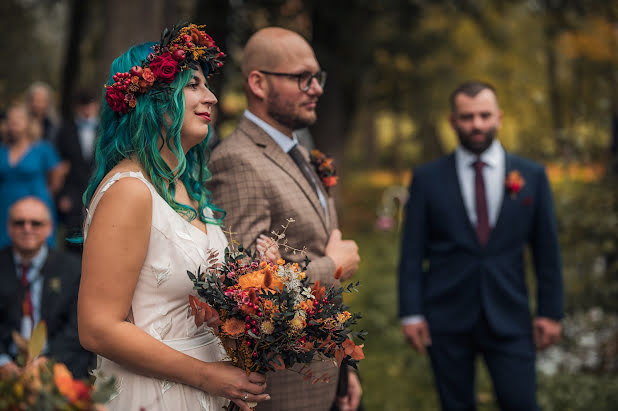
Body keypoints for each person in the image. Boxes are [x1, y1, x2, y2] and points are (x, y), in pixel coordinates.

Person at [77, 23, 269, 411]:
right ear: (154, 99)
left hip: (208, 391)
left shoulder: (188, 188)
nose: (211, 97)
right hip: (156, 394)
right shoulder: (129, 191)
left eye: (207, 85)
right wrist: (207, 375)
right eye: (194, 85)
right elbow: (97, 329)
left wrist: (255, 288)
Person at [208, 27, 362, 411]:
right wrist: (334, 267)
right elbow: (246, 289)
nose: (317, 89)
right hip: (282, 388)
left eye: (318, 77)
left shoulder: (301, 153)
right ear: (258, 83)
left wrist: (345, 362)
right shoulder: (238, 161)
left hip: (324, 375)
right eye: (302, 78)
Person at [398, 81, 564, 410]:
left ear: (499, 117)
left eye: (484, 115)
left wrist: (550, 312)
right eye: (468, 116)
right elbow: (412, 252)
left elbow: (547, 251)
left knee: (521, 403)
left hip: (510, 314)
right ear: (453, 121)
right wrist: (411, 313)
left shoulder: (532, 175)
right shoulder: (427, 178)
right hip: (446, 317)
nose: (477, 124)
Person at [0, 196, 92, 378]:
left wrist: (49, 362)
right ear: (9, 227)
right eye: (20, 223)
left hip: (58, 368)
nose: (27, 229)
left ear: (49, 228)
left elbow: (76, 328)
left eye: (36, 223)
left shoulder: (72, 269)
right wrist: (3, 362)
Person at [0, 104, 68, 249]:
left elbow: (57, 173)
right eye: (10, 120)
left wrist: (48, 192)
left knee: (37, 246)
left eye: (18, 119)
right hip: (5, 204)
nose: (13, 123)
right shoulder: (2, 149)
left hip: (36, 200)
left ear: (28, 123)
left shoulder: (42, 148)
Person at [55, 89, 99, 248]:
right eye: (83, 106)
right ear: (76, 107)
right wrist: (62, 195)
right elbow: (58, 166)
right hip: (72, 194)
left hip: (97, 189)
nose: (87, 110)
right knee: (72, 240)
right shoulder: (65, 130)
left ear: (96, 105)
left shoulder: (105, 130)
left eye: (90, 105)